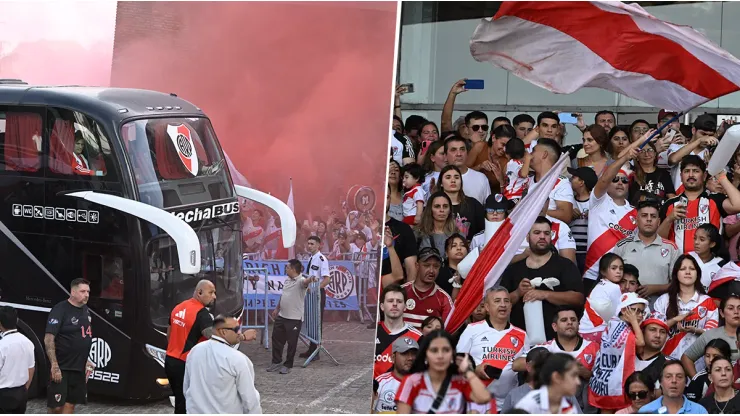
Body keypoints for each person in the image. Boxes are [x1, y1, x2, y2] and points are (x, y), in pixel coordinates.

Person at [583, 131, 651, 293]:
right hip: (594, 274)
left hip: (622, 278)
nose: (620, 182)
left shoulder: (635, 212)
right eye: (616, 179)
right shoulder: (598, 200)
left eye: (624, 180)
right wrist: (625, 158)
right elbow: (605, 177)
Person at [500, 216, 584, 340]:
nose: (542, 237)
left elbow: (578, 298)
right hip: (520, 341)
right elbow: (499, 305)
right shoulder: (514, 269)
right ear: (527, 237)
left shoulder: (565, 265)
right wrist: (518, 293)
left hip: (558, 342)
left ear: (551, 236)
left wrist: (545, 294)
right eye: (537, 233)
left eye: (546, 233)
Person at [457, 286, 528, 412]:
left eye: (506, 301)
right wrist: (475, 370)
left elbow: (527, 368)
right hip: (477, 403)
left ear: (511, 307)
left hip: (508, 405)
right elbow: (457, 362)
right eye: (497, 301)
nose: (503, 305)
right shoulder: (472, 330)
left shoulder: (522, 335)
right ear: (487, 308)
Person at [659, 156, 740, 254]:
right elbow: (658, 239)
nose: (691, 175)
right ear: (681, 176)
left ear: (705, 175)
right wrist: (669, 219)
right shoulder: (670, 204)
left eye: (696, 171)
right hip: (680, 265)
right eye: (687, 171)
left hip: (712, 264)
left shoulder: (715, 199)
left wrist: (721, 176)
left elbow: (738, 204)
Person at [395, 331, 491, 413]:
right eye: (434, 350)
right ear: (425, 355)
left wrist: (468, 372)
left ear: (453, 354)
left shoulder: (460, 381)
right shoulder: (412, 381)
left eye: (446, 350)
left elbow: (484, 397)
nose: (440, 356)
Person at [183, 315, 262, 414]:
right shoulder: (238, 359)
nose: (240, 333)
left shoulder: (195, 351)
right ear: (223, 331)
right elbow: (250, 399)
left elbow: (187, 387)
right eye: (237, 329)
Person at [613, 199, 680, 306]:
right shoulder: (622, 246)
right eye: (644, 215)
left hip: (659, 311)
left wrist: (656, 288)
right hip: (626, 310)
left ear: (658, 221)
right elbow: (612, 280)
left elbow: (679, 283)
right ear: (637, 220)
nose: (649, 219)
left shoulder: (671, 248)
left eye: (653, 216)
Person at [588, 292, 648, 412]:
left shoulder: (619, 324)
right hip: (610, 383)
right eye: (635, 311)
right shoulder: (619, 326)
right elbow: (641, 343)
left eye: (642, 311)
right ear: (625, 310)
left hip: (607, 381)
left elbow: (639, 350)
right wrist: (635, 323)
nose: (640, 315)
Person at [654, 255, 719, 366]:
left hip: (697, 362)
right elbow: (654, 329)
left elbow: (713, 334)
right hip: (666, 360)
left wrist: (695, 330)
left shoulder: (707, 302)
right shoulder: (663, 300)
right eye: (683, 269)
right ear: (676, 274)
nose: (688, 272)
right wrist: (674, 320)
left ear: (697, 274)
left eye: (692, 269)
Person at [165, 280, 217, 414]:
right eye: (211, 292)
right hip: (185, 364)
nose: (214, 296)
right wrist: (240, 336)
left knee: (180, 401)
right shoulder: (202, 314)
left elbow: (168, 335)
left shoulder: (178, 307)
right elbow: (215, 338)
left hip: (170, 361)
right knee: (190, 404)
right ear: (199, 292)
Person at [44, 278, 95, 414]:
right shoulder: (60, 309)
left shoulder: (86, 311)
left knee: (70, 404)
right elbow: (49, 338)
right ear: (73, 292)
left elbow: (83, 337)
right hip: (62, 366)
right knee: (56, 406)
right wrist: (54, 365)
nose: (86, 295)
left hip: (78, 367)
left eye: (88, 291)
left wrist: (86, 359)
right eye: (83, 291)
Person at [268, 259, 317, 374]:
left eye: (287, 267)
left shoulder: (300, 281)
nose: (286, 269)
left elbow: (306, 282)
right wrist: (277, 308)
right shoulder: (287, 280)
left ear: (293, 269)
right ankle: (276, 362)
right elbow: (284, 295)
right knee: (276, 339)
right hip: (282, 315)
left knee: (292, 342)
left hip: (294, 318)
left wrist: (311, 279)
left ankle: (288, 364)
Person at [681, 294, 740, 377]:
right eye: (730, 308)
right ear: (722, 313)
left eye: (739, 308)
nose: (736, 312)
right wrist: (698, 382)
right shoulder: (710, 335)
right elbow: (686, 358)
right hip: (716, 388)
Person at [374, 284, 422, 379]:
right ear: (382, 306)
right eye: (390, 301)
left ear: (405, 307)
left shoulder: (418, 338)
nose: (395, 304)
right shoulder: (371, 333)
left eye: (399, 301)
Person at [400, 247, 454, 328]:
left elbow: (447, 332)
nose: (431, 270)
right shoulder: (401, 292)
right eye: (426, 265)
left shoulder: (444, 298)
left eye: (436, 266)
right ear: (417, 265)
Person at [580, 253, 627, 344]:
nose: (618, 271)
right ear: (603, 271)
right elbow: (618, 314)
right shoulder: (614, 288)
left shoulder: (599, 284)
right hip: (597, 331)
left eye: (621, 268)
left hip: (583, 331)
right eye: (614, 268)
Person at [514, 353, 582, 414]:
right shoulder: (528, 405)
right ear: (557, 377)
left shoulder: (569, 407)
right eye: (573, 375)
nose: (578, 382)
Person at [300, 236, 331, 359]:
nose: (309, 246)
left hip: (318, 294)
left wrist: (316, 290)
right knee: (311, 321)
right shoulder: (311, 258)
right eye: (308, 243)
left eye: (312, 244)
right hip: (310, 293)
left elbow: (327, 279)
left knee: (316, 322)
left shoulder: (322, 259)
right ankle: (311, 348)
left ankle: (315, 350)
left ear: (319, 245)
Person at [638, 360, 708, 414]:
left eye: (679, 377)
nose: (674, 380)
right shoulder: (645, 411)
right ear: (660, 382)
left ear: (686, 383)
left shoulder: (699, 411)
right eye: (668, 376)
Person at [0, 306, 34, 414]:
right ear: (17, 320)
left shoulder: (2, 345)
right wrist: (25, 389)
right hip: (21, 392)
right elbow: (31, 368)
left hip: (3, 394)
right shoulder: (28, 342)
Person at [372, 337, 419, 414]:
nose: (410, 358)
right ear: (393, 358)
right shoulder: (380, 383)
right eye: (404, 353)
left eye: (414, 354)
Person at [689, 224, 728, 293]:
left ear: (712, 244)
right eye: (695, 238)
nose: (696, 242)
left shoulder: (721, 264)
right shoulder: (687, 257)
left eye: (702, 239)